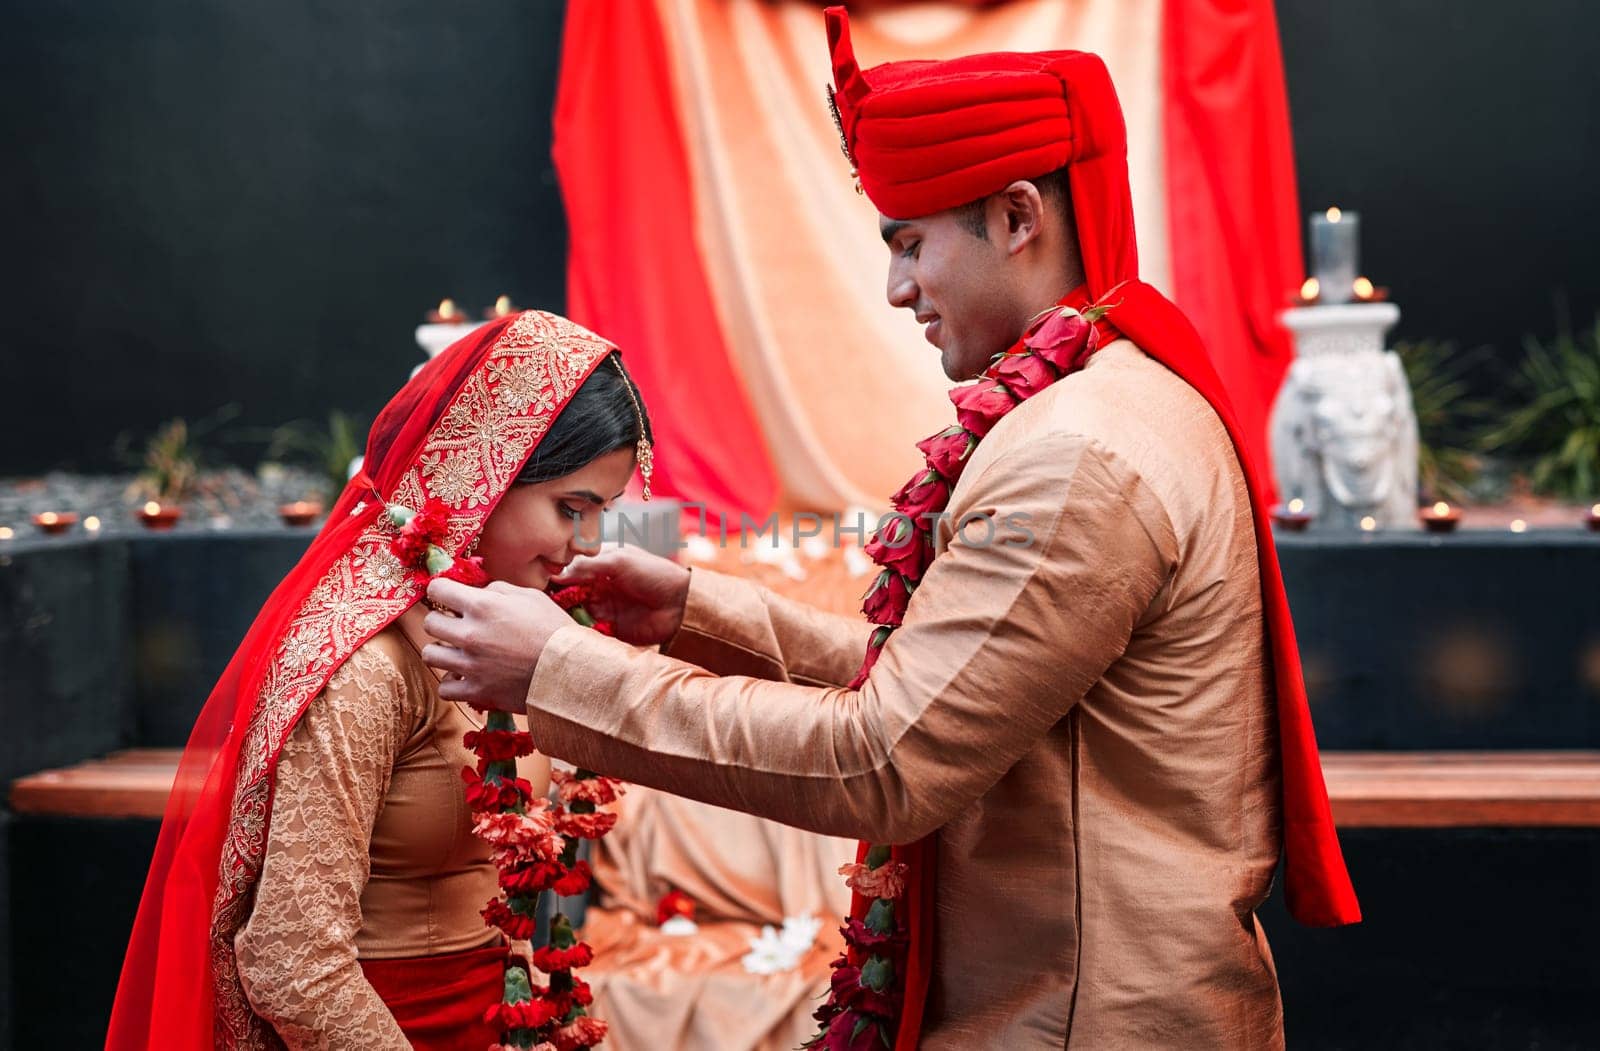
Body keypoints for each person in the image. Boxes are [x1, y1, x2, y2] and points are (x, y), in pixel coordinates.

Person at [422, 8, 1359, 1049]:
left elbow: (888, 761)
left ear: (1015, 218)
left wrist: (560, 670)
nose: (896, 287)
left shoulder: (1073, 454)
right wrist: (693, 611)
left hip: (1083, 1022)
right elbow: (943, 687)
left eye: (911, 243)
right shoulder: (1094, 403)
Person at [106, 310, 653, 1050]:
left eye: (601, 514)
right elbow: (291, 963)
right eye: (570, 508)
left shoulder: (506, 635)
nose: (583, 544)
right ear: (482, 477)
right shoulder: (370, 665)